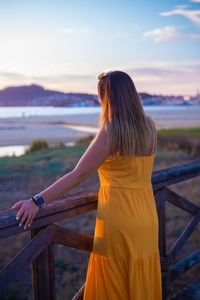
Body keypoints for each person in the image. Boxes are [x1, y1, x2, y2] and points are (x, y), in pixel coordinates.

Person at [11, 70, 162, 299]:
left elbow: (79, 175)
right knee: (140, 273)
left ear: (107, 98)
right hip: (147, 215)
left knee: (114, 281)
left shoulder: (111, 130)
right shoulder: (150, 127)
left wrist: (36, 201)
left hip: (119, 219)